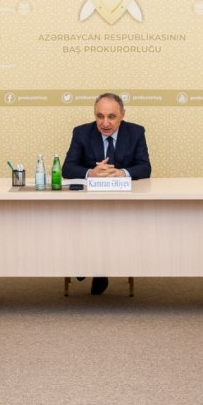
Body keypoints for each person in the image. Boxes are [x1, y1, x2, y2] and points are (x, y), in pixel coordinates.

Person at [62, 93, 151, 295]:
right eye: (99, 116)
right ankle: (89, 264)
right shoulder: (81, 132)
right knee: (89, 224)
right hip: (89, 203)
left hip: (122, 203)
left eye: (111, 117)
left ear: (122, 115)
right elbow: (68, 168)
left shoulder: (136, 132)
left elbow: (145, 167)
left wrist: (122, 173)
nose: (105, 123)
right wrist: (91, 173)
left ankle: (97, 270)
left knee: (111, 226)